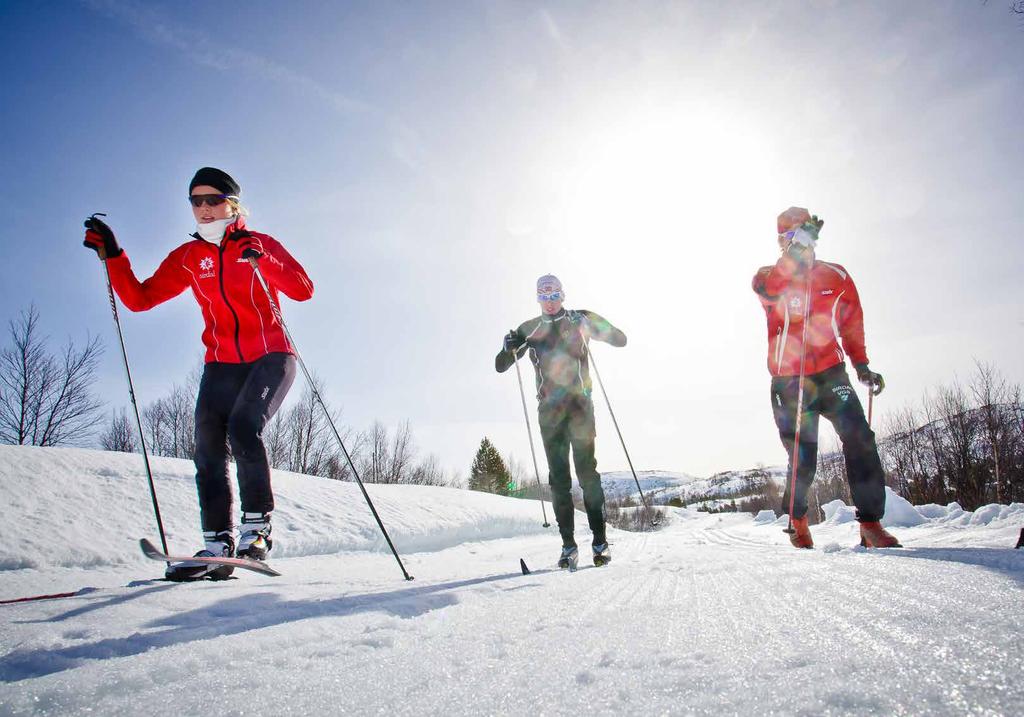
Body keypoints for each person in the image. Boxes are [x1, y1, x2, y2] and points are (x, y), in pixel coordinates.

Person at [83, 167, 313, 580]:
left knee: (245, 426)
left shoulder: (259, 243)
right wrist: (114, 255)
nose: (204, 209)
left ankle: (257, 531)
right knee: (207, 443)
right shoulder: (189, 258)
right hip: (221, 363)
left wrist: (262, 257)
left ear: (232, 204)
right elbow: (139, 298)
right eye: (196, 201)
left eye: (213, 200)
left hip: (272, 355)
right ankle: (216, 544)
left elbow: (302, 287)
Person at [752, 207, 900, 549]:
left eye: (802, 235)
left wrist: (861, 364)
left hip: (831, 374)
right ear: (781, 243)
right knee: (803, 454)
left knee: (860, 438)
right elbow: (772, 290)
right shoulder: (767, 276)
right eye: (789, 239)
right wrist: (793, 258)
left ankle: (871, 523)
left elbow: (851, 322)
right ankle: (799, 520)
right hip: (789, 381)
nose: (797, 244)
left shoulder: (836, 276)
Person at [495, 275, 627, 569]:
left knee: (587, 473)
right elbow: (500, 366)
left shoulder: (579, 319)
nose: (550, 300)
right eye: (544, 295)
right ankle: (568, 546)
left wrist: (594, 324)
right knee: (559, 481)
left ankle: (600, 542)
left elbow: (620, 339)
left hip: (580, 407)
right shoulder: (530, 329)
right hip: (550, 415)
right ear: (538, 298)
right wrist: (507, 347)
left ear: (562, 295)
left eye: (555, 294)